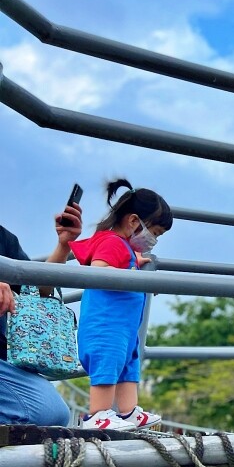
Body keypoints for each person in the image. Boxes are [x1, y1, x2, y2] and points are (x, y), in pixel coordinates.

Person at [70, 178, 172, 430]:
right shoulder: (112, 242)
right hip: (106, 326)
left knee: (128, 366)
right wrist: (135, 276)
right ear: (134, 221)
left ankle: (128, 412)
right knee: (108, 364)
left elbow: (123, 263)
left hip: (124, 328)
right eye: (154, 233)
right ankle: (98, 415)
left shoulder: (123, 247)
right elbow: (99, 270)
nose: (153, 240)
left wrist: (136, 266)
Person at [0, 203, 83, 426]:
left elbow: (35, 290)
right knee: (45, 412)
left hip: (5, 360)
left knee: (54, 414)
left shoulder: (4, 238)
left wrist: (64, 245)